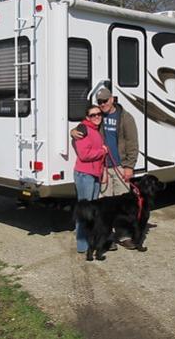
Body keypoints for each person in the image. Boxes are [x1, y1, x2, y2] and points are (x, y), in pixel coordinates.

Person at [71, 87, 139, 248]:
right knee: (105, 209)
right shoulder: (98, 118)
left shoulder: (126, 118)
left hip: (120, 166)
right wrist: (72, 131)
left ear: (112, 99)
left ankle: (123, 236)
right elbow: (84, 128)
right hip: (103, 168)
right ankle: (107, 237)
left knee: (122, 205)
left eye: (105, 101)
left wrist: (129, 166)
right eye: (100, 102)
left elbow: (132, 143)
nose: (102, 105)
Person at [72, 105, 108, 253]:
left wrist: (103, 173)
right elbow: (84, 155)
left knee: (92, 210)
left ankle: (88, 240)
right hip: (84, 175)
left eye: (99, 114)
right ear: (87, 117)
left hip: (94, 174)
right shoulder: (83, 129)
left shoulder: (95, 129)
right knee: (84, 210)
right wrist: (102, 151)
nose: (97, 116)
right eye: (93, 115)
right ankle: (82, 245)